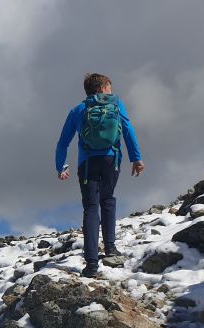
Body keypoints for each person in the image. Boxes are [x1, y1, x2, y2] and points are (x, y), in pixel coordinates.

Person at [55, 73, 144, 277]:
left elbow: (63, 142)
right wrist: (136, 158)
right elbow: (127, 130)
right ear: (103, 88)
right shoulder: (116, 104)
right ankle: (110, 248)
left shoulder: (78, 110)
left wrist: (61, 166)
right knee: (108, 199)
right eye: (110, 88)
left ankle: (92, 264)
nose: (111, 91)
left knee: (91, 207)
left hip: (87, 163)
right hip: (111, 160)